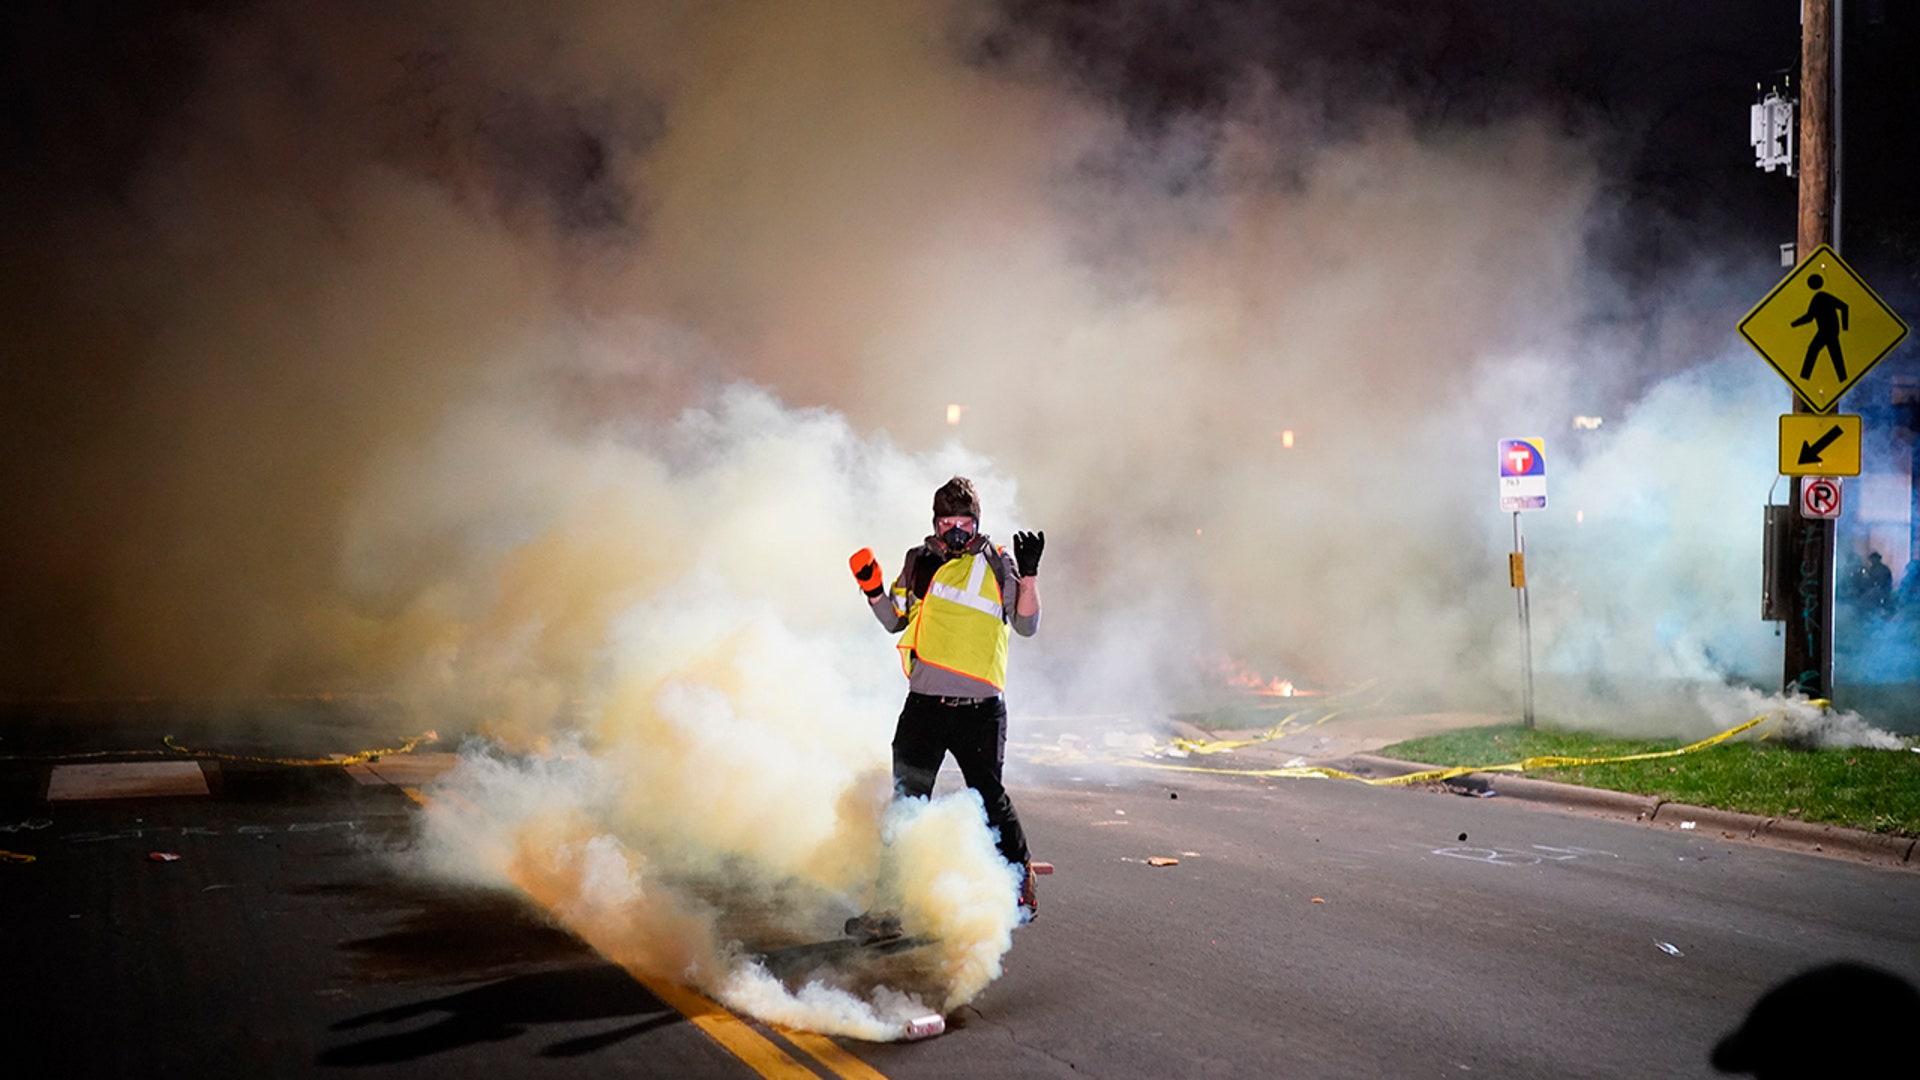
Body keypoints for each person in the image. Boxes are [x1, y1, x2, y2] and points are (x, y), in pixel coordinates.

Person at [849, 476, 1044, 920]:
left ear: (977, 523)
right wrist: (873, 588)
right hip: (924, 709)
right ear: (934, 524)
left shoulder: (998, 563)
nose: (955, 532)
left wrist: (1029, 577)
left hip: (981, 711)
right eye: (946, 523)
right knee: (906, 805)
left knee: (990, 801)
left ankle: (1020, 885)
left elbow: (1027, 626)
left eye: (964, 523)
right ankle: (887, 910)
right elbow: (895, 620)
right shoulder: (918, 561)